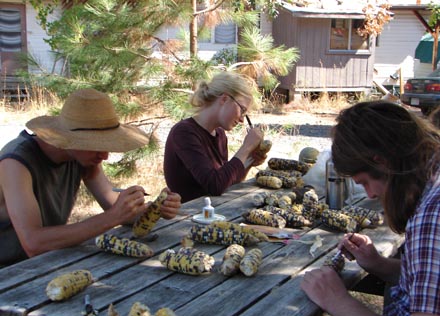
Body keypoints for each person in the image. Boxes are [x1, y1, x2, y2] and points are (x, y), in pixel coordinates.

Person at [0, 88, 181, 266]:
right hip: (10, 269)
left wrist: (156, 210)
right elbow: (33, 243)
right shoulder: (16, 163)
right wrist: (112, 217)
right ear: (69, 139)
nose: (105, 155)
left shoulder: (81, 157)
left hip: (48, 260)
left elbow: (116, 208)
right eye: (96, 145)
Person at [301, 101, 440, 316]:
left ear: (382, 162)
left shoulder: (432, 217)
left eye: (365, 182)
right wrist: (378, 264)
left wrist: (337, 301)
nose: (371, 195)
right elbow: (426, 281)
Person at [164, 71, 265, 203]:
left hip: (210, 212)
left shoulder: (220, 135)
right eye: (242, 110)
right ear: (224, 99)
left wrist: (249, 161)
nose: (241, 119)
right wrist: (245, 148)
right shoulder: (184, 132)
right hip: (187, 217)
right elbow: (214, 185)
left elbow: (226, 182)